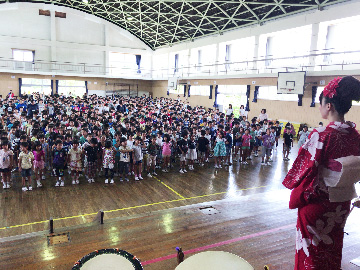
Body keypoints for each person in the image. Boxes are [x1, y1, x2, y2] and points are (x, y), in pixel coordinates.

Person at [283, 76, 360, 270]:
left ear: (329, 106)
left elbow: (302, 170)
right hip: (341, 204)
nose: (320, 107)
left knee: (310, 253)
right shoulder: (356, 137)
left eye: (321, 103)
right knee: (332, 247)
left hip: (317, 204)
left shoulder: (321, 135)